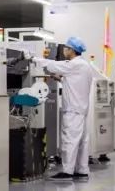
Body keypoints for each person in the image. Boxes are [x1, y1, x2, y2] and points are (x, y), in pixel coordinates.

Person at [34, 37, 97, 181]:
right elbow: (76, 83)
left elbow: (53, 65)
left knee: (70, 140)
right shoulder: (84, 65)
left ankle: (67, 171)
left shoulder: (74, 64)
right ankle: (82, 170)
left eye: (66, 48)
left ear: (72, 50)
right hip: (81, 109)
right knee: (82, 141)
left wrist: (32, 58)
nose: (64, 51)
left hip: (73, 110)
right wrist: (61, 79)